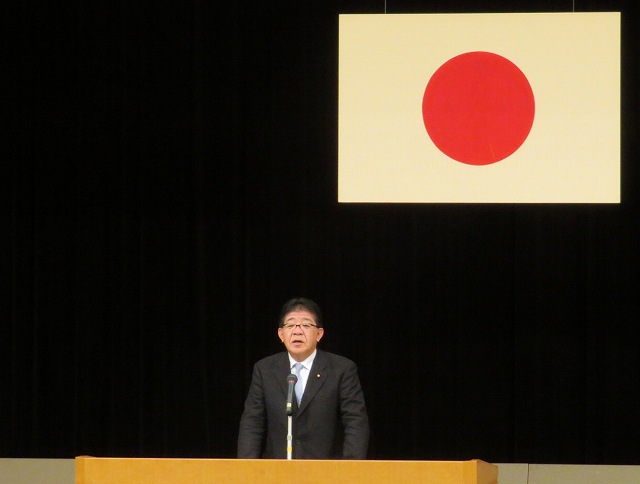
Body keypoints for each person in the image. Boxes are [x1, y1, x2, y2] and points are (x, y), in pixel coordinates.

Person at [237, 297, 369, 459]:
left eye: (306, 325)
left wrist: (351, 467)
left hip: (326, 468)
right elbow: (252, 422)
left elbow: (355, 421)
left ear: (319, 334)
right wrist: (247, 468)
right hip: (277, 468)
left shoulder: (341, 369)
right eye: (290, 325)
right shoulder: (265, 369)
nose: (297, 331)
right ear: (281, 334)